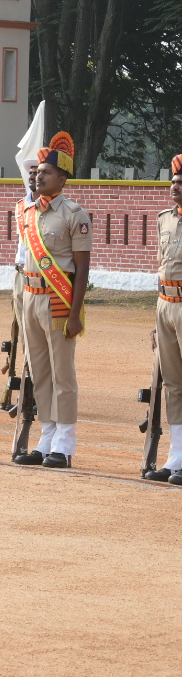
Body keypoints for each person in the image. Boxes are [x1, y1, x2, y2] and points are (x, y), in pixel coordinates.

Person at [11, 133, 90, 468]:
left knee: (62, 373)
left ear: (62, 178)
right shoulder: (27, 212)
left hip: (58, 300)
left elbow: (82, 268)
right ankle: (46, 437)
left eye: (45, 172)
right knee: (39, 371)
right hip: (29, 296)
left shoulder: (75, 214)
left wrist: (75, 314)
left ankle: (65, 443)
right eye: (38, 171)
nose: (38, 176)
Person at [148, 154, 182, 482]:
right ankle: (176, 457)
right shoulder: (164, 219)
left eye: (181, 182)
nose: (175, 186)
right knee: (172, 384)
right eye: (173, 181)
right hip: (166, 305)